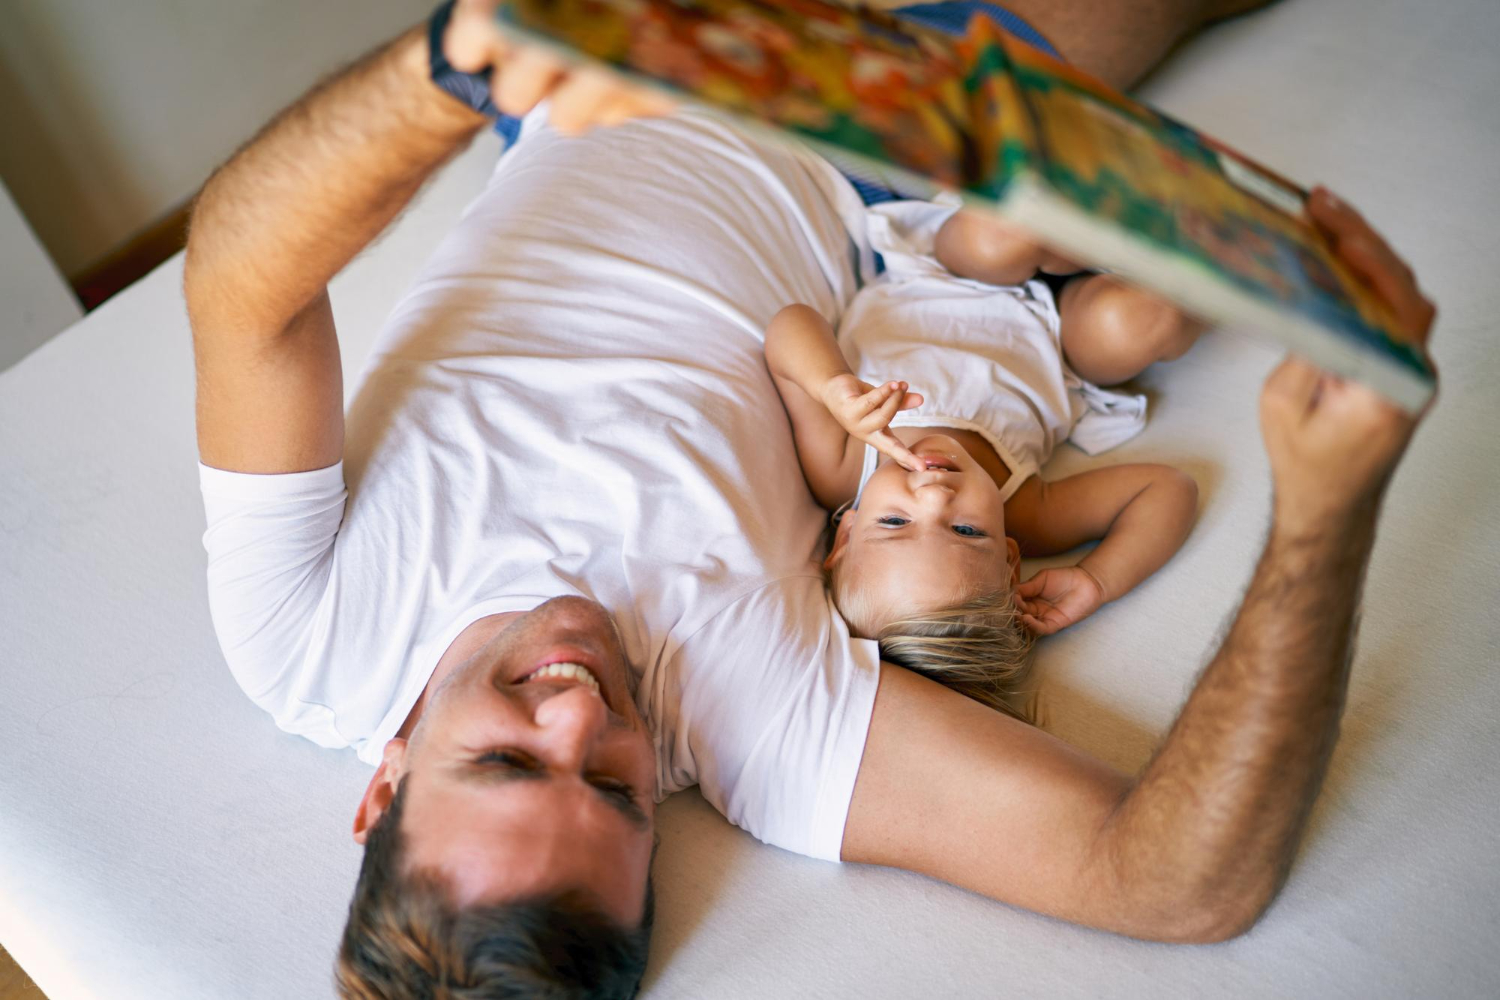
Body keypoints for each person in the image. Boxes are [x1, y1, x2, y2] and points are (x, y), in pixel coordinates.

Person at [183, 2, 1436, 998]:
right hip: (873, 124)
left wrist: (464, 61)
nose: (578, 706)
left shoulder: (307, 638)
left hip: (616, 58)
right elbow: (1174, 887)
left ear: (384, 784)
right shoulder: (752, 717)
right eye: (613, 788)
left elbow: (244, 287)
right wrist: (1328, 512)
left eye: (509, 759)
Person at [763, 194, 1201, 720]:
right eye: (967, 532)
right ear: (1012, 559)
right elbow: (1170, 489)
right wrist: (1097, 579)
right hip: (1057, 337)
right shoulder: (1027, 511)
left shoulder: (840, 466)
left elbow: (790, 325)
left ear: (847, 535)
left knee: (1002, 235)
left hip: (942, 275)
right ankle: (1168, 250)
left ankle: (1089, 235)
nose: (934, 495)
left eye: (896, 521)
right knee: (1150, 320)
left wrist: (832, 387)